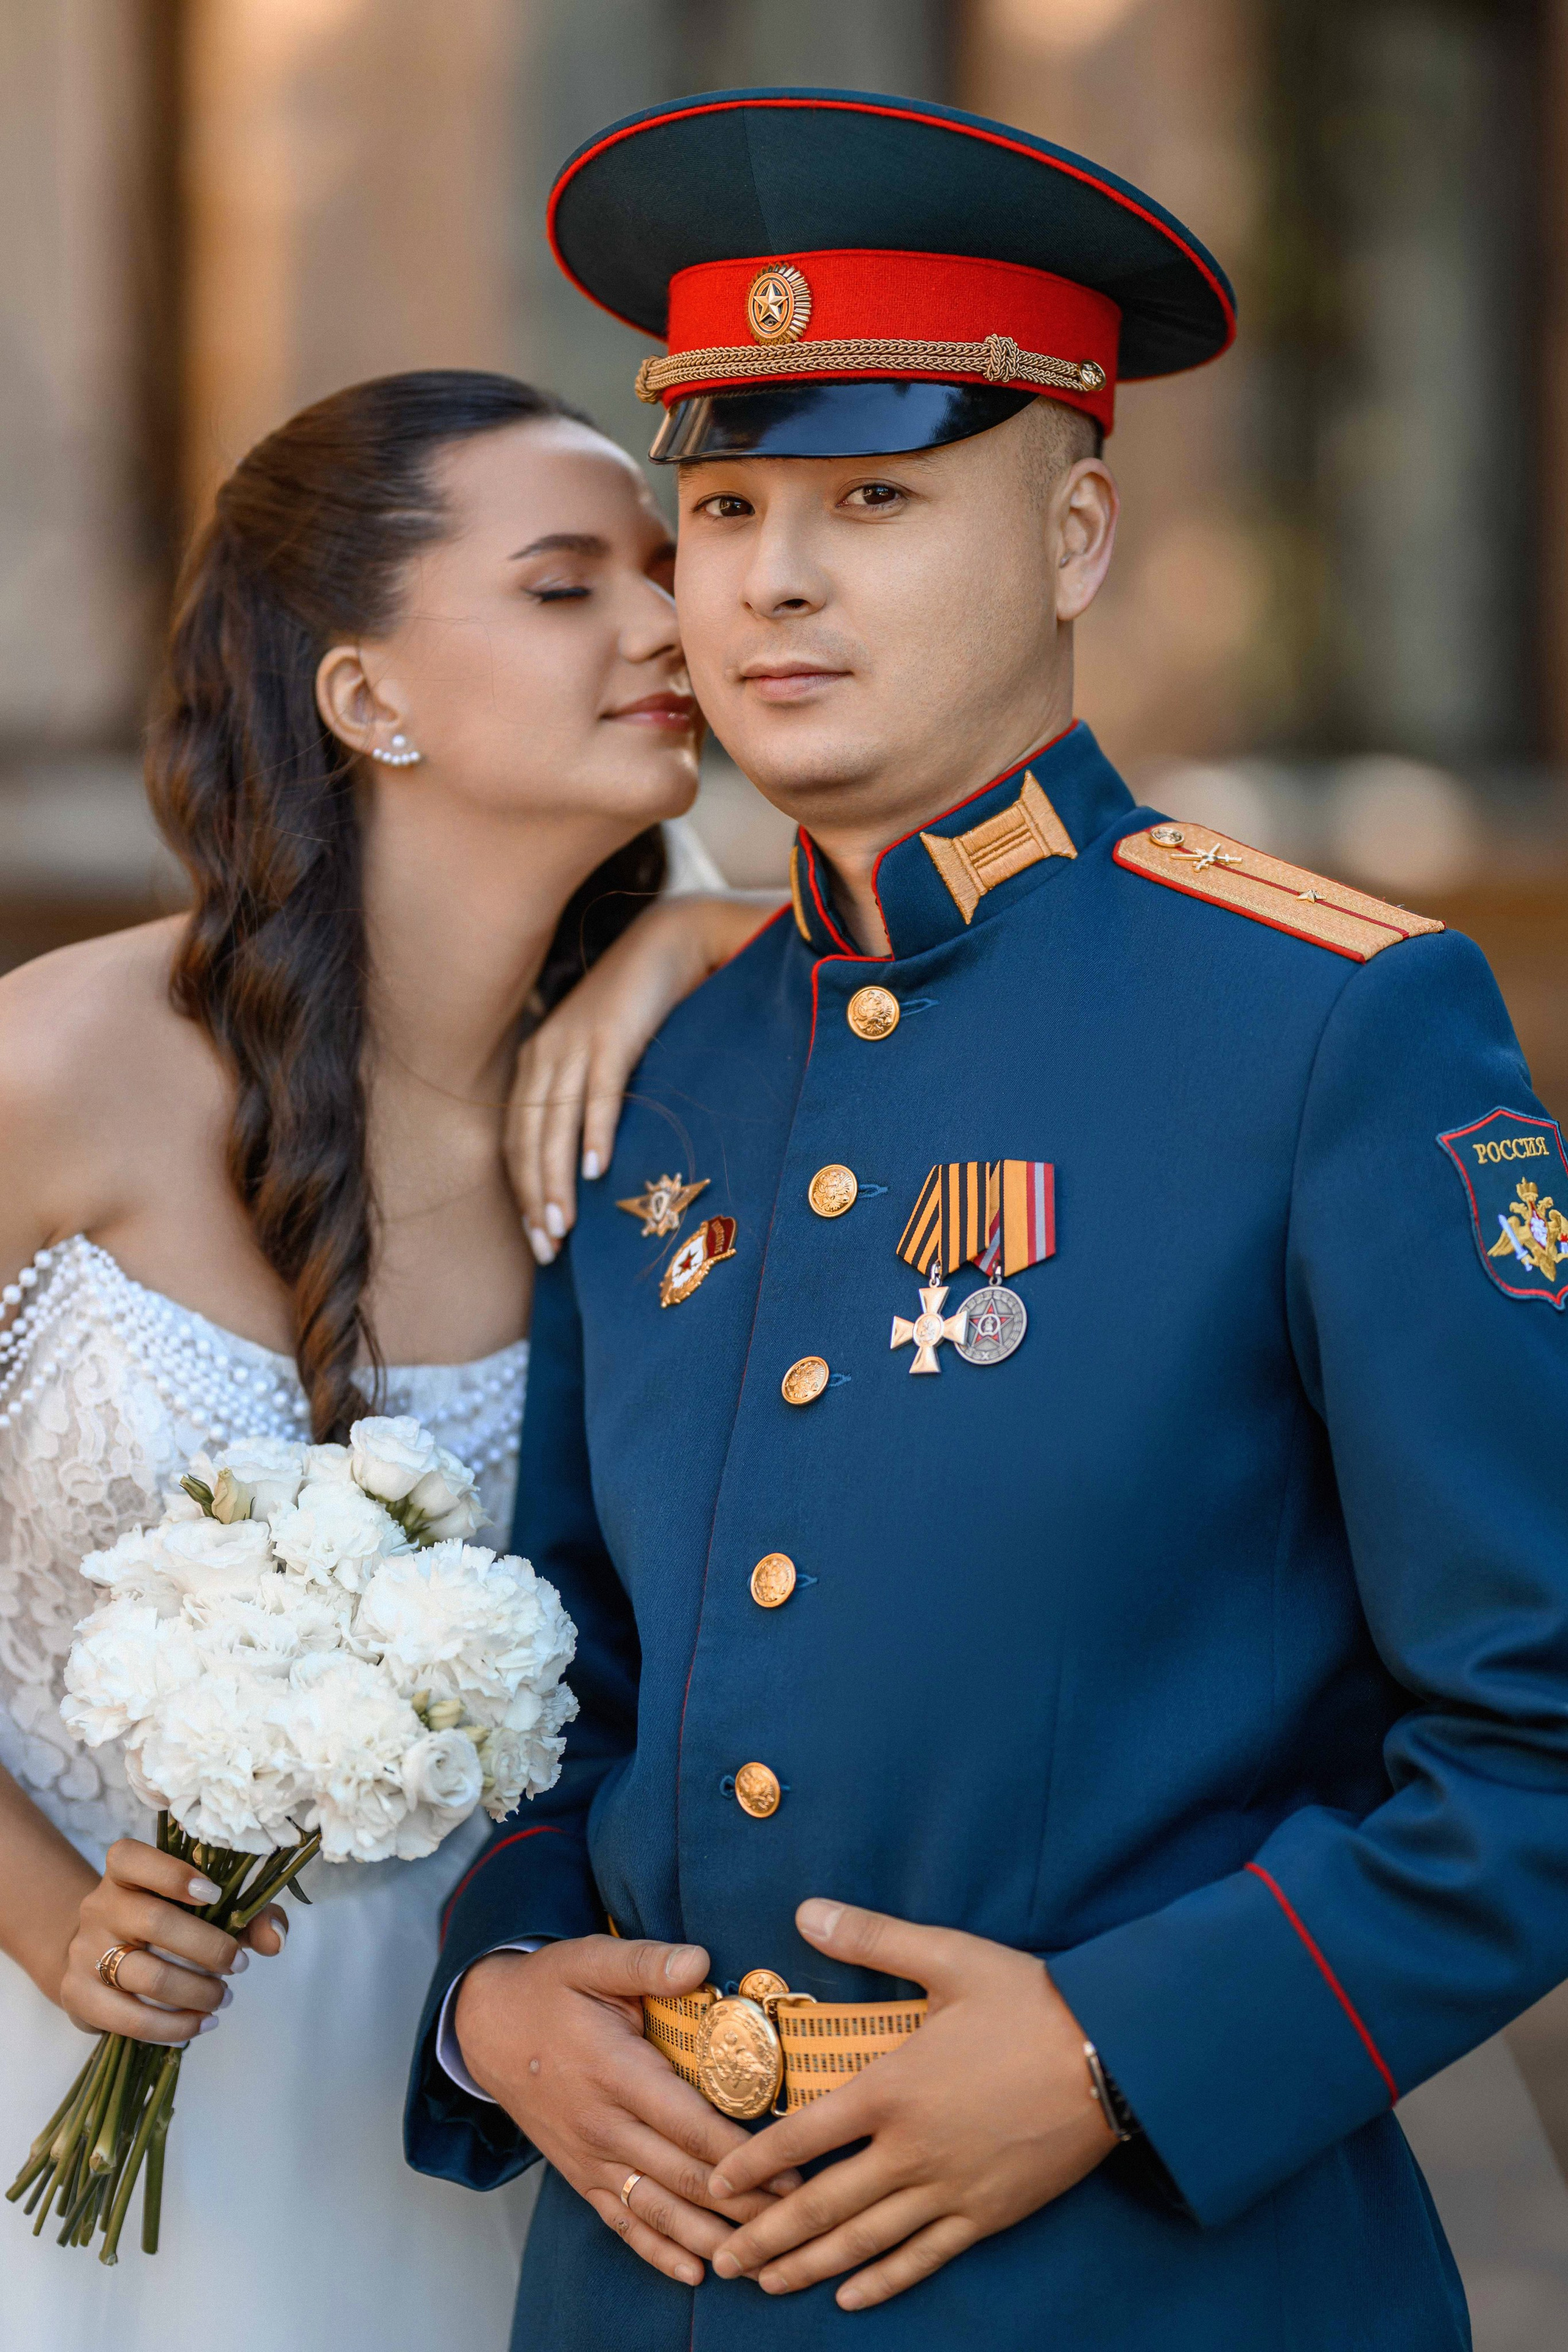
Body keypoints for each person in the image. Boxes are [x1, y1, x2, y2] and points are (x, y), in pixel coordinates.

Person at [409, 91, 1568, 2351]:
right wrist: (505, 1989)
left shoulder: (1336, 1027)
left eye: (875, 499)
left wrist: (1122, 2052)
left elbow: (1531, 1726)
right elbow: (561, 1665)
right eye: (723, 505)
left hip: (1145, 2280)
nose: (773, 580)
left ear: (1074, 539)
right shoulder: (660, 1053)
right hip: (646, 2280)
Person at [0, 367, 769, 2349]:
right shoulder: (61, 1068)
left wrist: (709, 937)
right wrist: (42, 1914)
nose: (668, 624)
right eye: (562, 587)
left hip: (473, 2099)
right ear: (366, 697)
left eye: (663, 572)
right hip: (64, 2052)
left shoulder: (672, 1111)